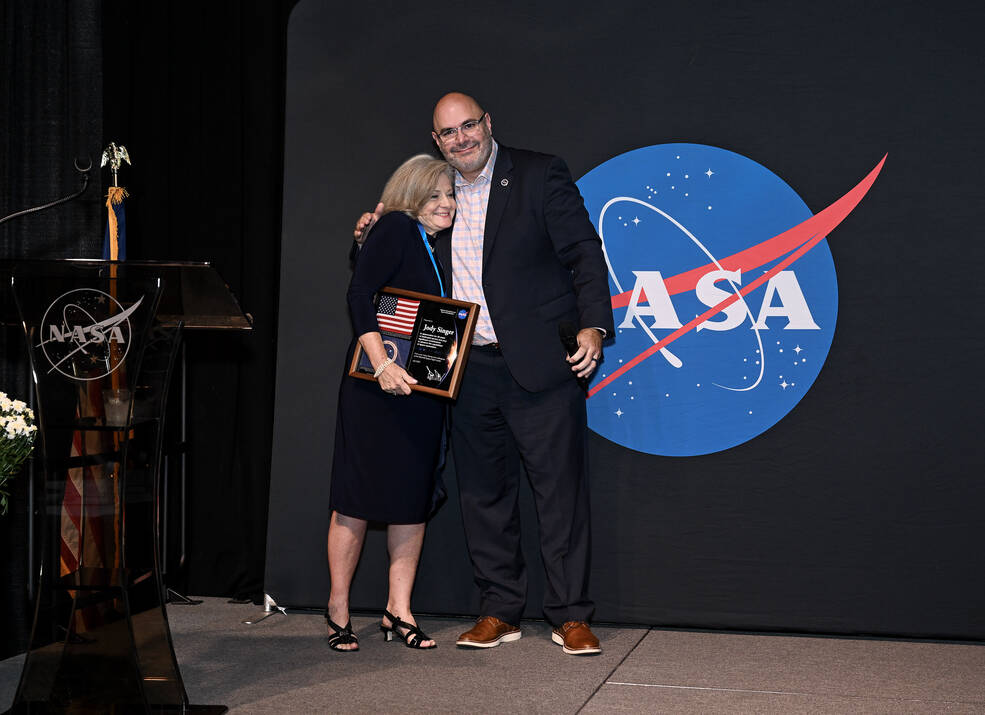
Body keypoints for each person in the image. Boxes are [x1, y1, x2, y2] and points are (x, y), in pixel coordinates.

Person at [355, 93, 614, 655]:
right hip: (465, 367)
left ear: (487, 123)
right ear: (436, 142)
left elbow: (584, 254)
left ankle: (569, 614)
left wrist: (594, 327)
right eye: (448, 133)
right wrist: (374, 229)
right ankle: (500, 609)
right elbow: (397, 249)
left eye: (468, 125)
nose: (461, 139)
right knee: (483, 495)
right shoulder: (433, 192)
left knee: (559, 495)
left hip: (542, 363)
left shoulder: (541, 174)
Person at [326, 154, 456, 652]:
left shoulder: (432, 243)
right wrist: (382, 365)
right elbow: (360, 295)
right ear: (410, 197)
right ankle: (339, 607)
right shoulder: (397, 228)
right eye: (434, 195)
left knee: (411, 497)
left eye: (449, 194)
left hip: (421, 390)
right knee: (355, 498)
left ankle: (397, 609)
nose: (445, 203)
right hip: (375, 386)